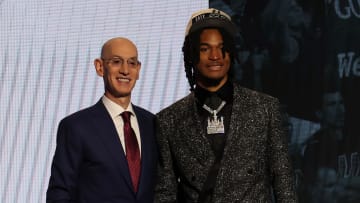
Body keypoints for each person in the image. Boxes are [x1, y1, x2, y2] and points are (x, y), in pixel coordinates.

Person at [155, 8, 297, 202]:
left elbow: (283, 181)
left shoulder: (264, 108)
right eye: (205, 49)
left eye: (222, 48)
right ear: (191, 54)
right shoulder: (168, 120)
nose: (216, 56)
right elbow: (165, 193)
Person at [46, 37, 158, 202]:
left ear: (138, 69)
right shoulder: (76, 127)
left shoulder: (153, 124)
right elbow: (60, 194)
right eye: (116, 61)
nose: (125, 70)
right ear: (100, 67)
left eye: (132, 63)